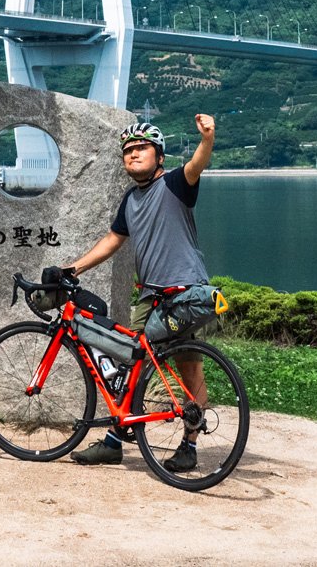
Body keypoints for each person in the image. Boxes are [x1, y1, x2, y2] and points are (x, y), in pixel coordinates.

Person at [59, 113, 216, 470]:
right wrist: (74, 268)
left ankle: (189, 445)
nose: (133, 154)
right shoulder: (130, 200)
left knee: (189, 370)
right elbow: (114, 240)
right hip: (150, 297)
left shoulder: (176, 183)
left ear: (159, 156)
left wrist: (207, 139)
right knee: (132, 362)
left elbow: (196, 165)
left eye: (142, 148)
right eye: (127, 150)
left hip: (184, 291)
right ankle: (116, 439)